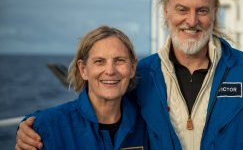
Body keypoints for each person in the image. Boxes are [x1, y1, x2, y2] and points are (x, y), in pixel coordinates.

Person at [16, 0, 243, 150]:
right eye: (182, 9)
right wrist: (33, 126)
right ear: (165, 12)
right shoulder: (143, 74)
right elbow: (99, 112)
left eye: (202, 10)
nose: (191, 20)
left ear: (214, 13)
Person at [15, 26, 148, 150]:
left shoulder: (148, 125)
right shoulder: (46, 128)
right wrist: (32, 124)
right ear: (83, 70)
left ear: (132, 68)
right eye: (99, 61)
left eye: (119, 60)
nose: (110, 71)